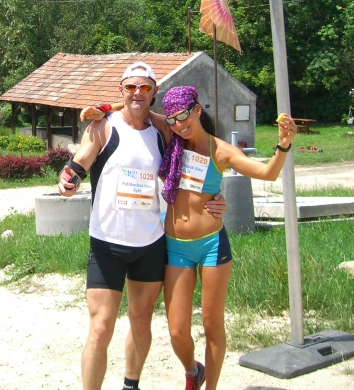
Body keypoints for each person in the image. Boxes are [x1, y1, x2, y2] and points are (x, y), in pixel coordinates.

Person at [83, 86, 296, 390]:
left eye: (183, 116)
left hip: (211, 245)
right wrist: (105, 109)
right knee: (177, 331)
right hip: (175, 248)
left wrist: (283, 145)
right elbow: (139, 107)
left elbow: (267, 173)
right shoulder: (173, 139)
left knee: (212, 325)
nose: (178, 124)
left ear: (197, 110)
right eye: (171, 119)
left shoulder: (220, 150)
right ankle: (193, 371)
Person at [59, 64, 226, 390]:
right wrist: (67, 181)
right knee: (100, 327)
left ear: (154, 92)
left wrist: (217, 198)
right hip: (107, 243)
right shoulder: (102, 128)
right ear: (121, 89)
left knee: (140, 320)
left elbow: (200, 151)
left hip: (150, 244)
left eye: (145, 88)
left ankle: (130, 385)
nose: (137, 93)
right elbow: (77, 164)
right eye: (130, 87)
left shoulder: (163, 131)